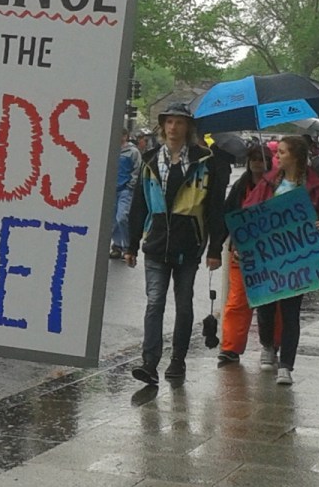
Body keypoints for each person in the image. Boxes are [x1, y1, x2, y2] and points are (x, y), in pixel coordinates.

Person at [125, 102, 228, 385]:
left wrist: (215, 249)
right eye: (168, 122)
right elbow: (139, 206)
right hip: (156, 244)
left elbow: (215, 208)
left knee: (183, 305)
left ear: (188, 128)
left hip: (188, 244)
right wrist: (131, 245)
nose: (173, 128)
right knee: (155, 302)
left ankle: (178, 361)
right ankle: (149, 363)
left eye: (179, 123)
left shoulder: (204, 161)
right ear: (162, 127)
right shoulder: (149, 160)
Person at [244, 135, 319, 385]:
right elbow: (249, 209)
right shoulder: (268, 182)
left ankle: (286, 364)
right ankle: (267, 346)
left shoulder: (315, 188)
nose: (277, 156)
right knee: (265, 306)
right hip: (268, 256)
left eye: (282, 152)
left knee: (291, 311)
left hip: (298, 258)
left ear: (295, 156)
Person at [218, 144, 272, 364]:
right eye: (253, 158)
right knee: (237, 300)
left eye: (261, 158)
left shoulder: (276, 186)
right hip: (241, 252)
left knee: (270, 303)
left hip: (270, 253)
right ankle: (231, 346)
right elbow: (228, 216)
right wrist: (215, 247)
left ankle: (270, 344)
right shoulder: (240, 187)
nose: (257, 163)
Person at [110, 127, 141, 260]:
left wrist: (131, 184)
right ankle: (117, 245)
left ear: (125, 136)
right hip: (112, 190)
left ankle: (128, 245)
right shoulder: (111, 150)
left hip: (125, 189)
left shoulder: (132, 151)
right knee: (113, 219)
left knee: (122, 217)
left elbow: (137, 168)